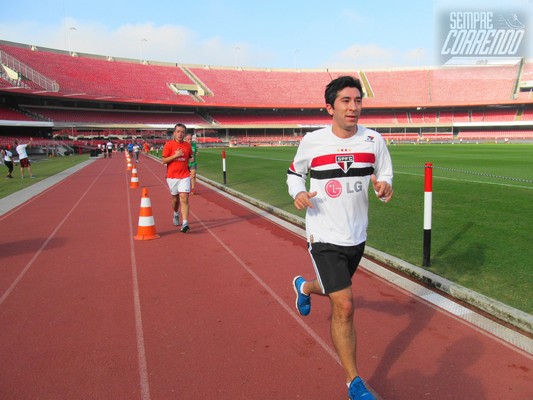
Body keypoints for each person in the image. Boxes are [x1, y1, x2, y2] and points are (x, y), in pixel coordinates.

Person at [286, 76, 393, 400]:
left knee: (333, 289)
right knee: (344, 305)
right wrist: (299, 192)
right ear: (330, 107)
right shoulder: (313, 141)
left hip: (356, 234)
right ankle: (354, 383)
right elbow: (294, 173)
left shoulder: (373, 140)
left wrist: (385, 188)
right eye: (346, 101)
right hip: (323, 232)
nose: (354, 107)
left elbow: (385, 173)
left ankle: (304, 286)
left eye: (358, 100)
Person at [162, 123, 194, 233]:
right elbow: (164, 161)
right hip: (172, 177)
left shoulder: (187, 145)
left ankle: (185, 223)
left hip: (184, 175)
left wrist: (191, 158)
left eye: (182, 132)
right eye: (178, 131)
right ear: (174, 133)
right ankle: (176, 213)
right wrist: (176, 155)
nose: (180, 134)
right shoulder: (168, 145)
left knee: (184, 198)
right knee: (175, 200)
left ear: (184, 134)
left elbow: (190, 156)